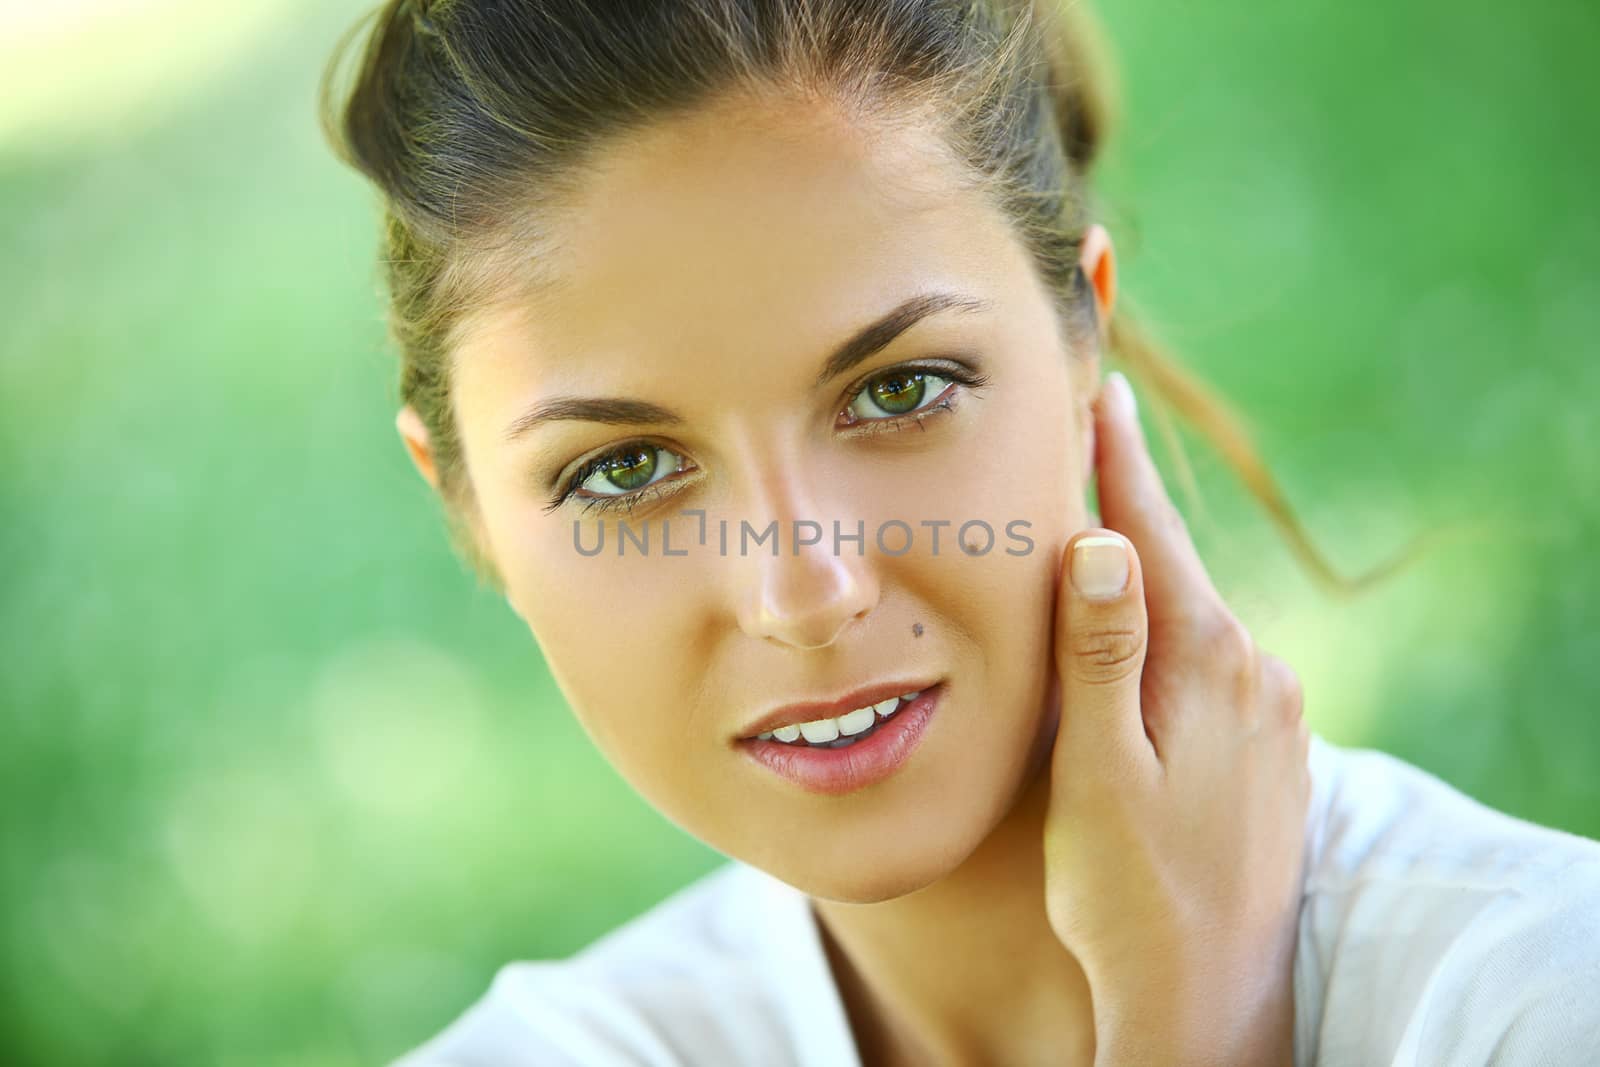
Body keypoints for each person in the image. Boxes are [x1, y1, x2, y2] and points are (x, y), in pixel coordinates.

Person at [318, 0, 1600, 1063]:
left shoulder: (1533, 997)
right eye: (627, 467)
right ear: (465, 504)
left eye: (899, 390)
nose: (804, 589)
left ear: (1081, 334)